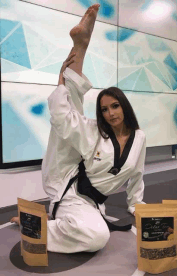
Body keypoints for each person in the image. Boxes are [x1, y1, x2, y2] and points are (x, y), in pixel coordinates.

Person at [11, 3, 146, 253]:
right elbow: (62, 118)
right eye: (104, 109)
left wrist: (136, 205)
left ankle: (38, 223)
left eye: (115, 106)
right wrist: (61, 85)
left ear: (124, 106)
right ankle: (81, 45)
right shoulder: (97, 130)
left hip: (91, 202)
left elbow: (137, 174)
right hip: (68, 182)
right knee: (97, 237)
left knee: (93, 233)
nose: (110, 113)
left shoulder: (139, 137)